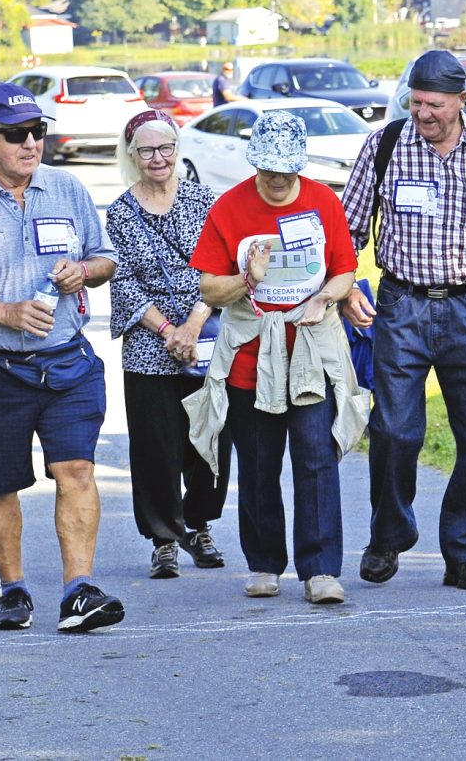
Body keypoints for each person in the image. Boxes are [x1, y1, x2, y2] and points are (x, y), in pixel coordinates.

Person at [339, 49, 466, 590]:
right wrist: (341, 289)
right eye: (415, 103)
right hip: (401, 306)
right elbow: (348, 231)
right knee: (393, 429)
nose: (423, 114)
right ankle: (389, 535)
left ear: (461, 100)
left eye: (434, 104)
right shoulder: (384, 145)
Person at [0, 82, 125, 634]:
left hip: (66, 362)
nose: (30, 143)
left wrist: (82, 272)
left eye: (38, 132)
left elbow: (104, 258)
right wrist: (5, 313)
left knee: (78, 470)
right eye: (16, 135)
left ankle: (79, 590)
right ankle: (14, 590)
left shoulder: (67, 188)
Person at [186, 110, 367, 604]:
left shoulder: (323, 200)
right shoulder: (229, 208)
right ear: (256, 165)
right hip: (251, 356)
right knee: (260, 464)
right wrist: (248, 278)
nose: (279, 181)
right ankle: (264, 563)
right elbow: (208, 287)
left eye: (287, 173)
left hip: (310, 351)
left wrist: (325, 298)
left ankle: (321, 570)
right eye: (270, 172)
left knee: (315, 458)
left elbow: (345, 270)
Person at [106, 110, 230, 580]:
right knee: (155, 445)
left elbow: (220, 268)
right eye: (146, 150)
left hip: (208, 331)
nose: (157, 158)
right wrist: (167, 331)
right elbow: (122, 284)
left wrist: (194, 324)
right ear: (132, 155)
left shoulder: (204, 201)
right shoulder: (118, 212)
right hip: (147, 342)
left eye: (165, 149)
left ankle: (198, 525)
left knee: (211, 437)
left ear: (178, 151)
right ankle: (164, 538)